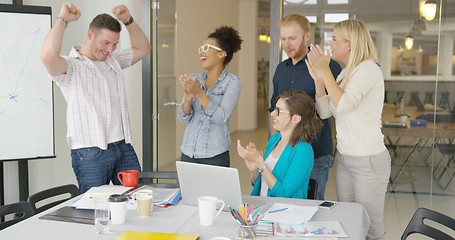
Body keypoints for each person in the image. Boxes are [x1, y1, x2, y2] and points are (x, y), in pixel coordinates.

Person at [40, 3, 151, 193]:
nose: (110, 49)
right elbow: (48, 57)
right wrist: (62, 20)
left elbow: (143, 48)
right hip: (90, 152)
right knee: (94, 210)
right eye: (106, 43)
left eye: (115, 44)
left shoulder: (113, 60)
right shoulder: (71, 67)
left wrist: (128, 20)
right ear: (90, 35)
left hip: (123, 147)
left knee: (135, 199)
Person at [305, 19, 391, 240]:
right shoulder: (345, 74)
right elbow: (325, 112)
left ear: (350, 44)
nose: (329, 44)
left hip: (368, 162)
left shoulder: (369, 70)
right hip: (346, 160)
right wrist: (318, 80)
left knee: (371, 229)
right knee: (350, 223)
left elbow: (343, 104)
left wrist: (325, 70)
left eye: (334, 39)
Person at [269, 14, 342, 200]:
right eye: (283, 39)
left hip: (317, 151)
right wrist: (273, 146)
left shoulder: (329, 67)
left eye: (292, 38)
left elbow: (336, 108)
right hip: (284, 152)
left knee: (311, 208)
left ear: (307, 36)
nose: (287, 44)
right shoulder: (280, 70)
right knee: (282, 201)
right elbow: (273, 112)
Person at [177, 26, 242, 167]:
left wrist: (199, 93)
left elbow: (221, 118)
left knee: (215, 190)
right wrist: (188, 99)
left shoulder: (232, 82)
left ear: (221, 54)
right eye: (201, 48)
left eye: (206, 48)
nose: (201, 52)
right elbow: (183, 118)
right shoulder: (195, 79)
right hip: (188, 153)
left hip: (215, 156)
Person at [238, 90, 322, 199]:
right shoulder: (274, 139)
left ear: (295, 118)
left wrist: (261, 164)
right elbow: (259, 183)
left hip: (284, 212)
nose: (272, 114)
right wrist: (254, 169)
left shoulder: (303, 151)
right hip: (262, 207)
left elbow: (284, 193)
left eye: (279, 111)